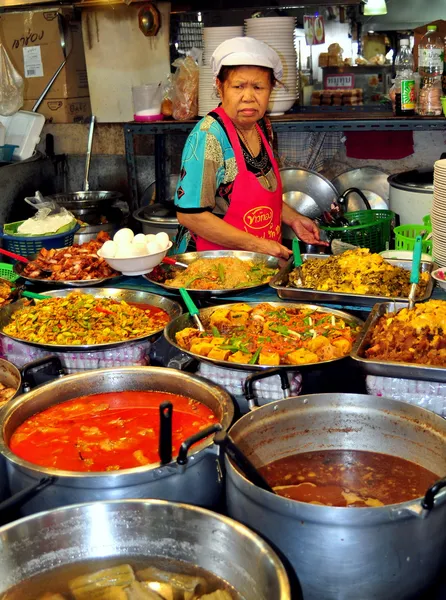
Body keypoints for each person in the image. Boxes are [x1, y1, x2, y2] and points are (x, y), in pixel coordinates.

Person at [174, 37, 326, 259]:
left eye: (258, 87)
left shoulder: (262, 125)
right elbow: (190, 216)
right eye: (238, 86)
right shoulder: (208, 138)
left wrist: (293, 218)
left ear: (270, 89)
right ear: (220, 86)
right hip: (211, 268)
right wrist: (260, 246)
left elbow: (261, 198)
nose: (248, 97)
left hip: (258, 264)